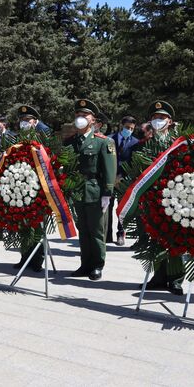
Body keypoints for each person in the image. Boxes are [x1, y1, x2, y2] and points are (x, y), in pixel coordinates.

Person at [64, 99, 116, 281]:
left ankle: (97, 265)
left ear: (93, 120)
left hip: (95, 191)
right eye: (78, 115)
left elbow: (110, 169)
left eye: (84, 115)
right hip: (77, 191)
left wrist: (107, 193)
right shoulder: (70, 142)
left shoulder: (103, 142)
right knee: (83, 230)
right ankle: (85, 264)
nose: (80, 118)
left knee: (96, 231)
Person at [143, 100, 184, 295]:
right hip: (153, 199)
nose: (158, 121)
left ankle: (175, 279)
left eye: (162, 118)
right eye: (155, 118)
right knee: (155, 237)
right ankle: (158, 276)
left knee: (175, 238)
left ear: (170, 121)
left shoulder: (178, 144)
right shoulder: (145, 145)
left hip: (175, 199)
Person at [15, 105, 47, 272]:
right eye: (22, 120)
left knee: (36, 225)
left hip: (37, 188)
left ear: (35, 122)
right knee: (23, 225)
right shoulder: (17, 138)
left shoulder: (43, 137)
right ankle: (24, 257)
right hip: (20, 187)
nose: (24, 123)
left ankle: (37, 260)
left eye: (28, 120)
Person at [107, 116, 140, 246]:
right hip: (109, 179)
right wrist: (112, 176)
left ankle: (121, 234)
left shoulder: (135, 142)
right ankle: (107, 235)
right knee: (107, 207)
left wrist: (123, 177)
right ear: (121, 125)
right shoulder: (109, 139)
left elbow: (134, 163)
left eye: (131, 128)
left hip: (124, 181)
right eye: (127, 127)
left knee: (122, 209)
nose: (129, 130)